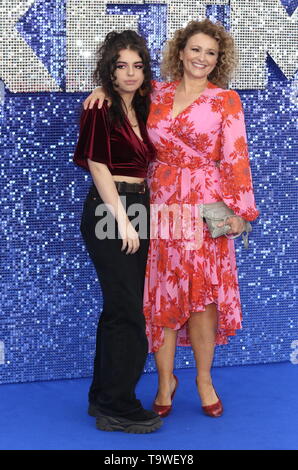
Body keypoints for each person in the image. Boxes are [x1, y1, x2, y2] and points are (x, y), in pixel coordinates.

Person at [84, 19, 259, 418]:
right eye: (195, 49)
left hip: (203, 203)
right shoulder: (156, 93)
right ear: (179, 52)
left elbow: (236, 157)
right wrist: (100, 91)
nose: (202, 58)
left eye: (210, 53)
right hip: (159, 203)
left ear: (219, 60)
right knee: (161, 292)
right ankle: (165, 382)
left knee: (201, 297)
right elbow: (121, 98)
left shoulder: (225, 100)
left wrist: (240, 212)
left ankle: (202, 378)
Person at [73, 30, 162, 433]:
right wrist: (122, 219)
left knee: (121, 307)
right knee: (127, 310)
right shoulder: (100, 107)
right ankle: (116, 406)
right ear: (109, 68)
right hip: (113, 208)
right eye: (120, 66)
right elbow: (97, 164)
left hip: (139, 205)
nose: (130, 74)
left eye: (138, 66)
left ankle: (101, 396)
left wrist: (134, 215)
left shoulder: (144, 103)